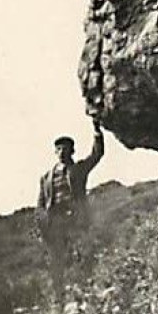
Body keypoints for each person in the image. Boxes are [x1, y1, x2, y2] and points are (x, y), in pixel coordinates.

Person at [36, 117, 105, 296]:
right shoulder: (46, 178)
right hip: (56, 223)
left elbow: (97, 154)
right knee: (57, 263)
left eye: (66, 148)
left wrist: (97, 131)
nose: (62, 151)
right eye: (58, 148)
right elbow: (41, 206)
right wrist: (43, 227)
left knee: (82, 256)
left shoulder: (79, 169)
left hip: (76, 219)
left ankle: (86, 292)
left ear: (72, 151)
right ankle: (59, 299)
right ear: (55, 151)